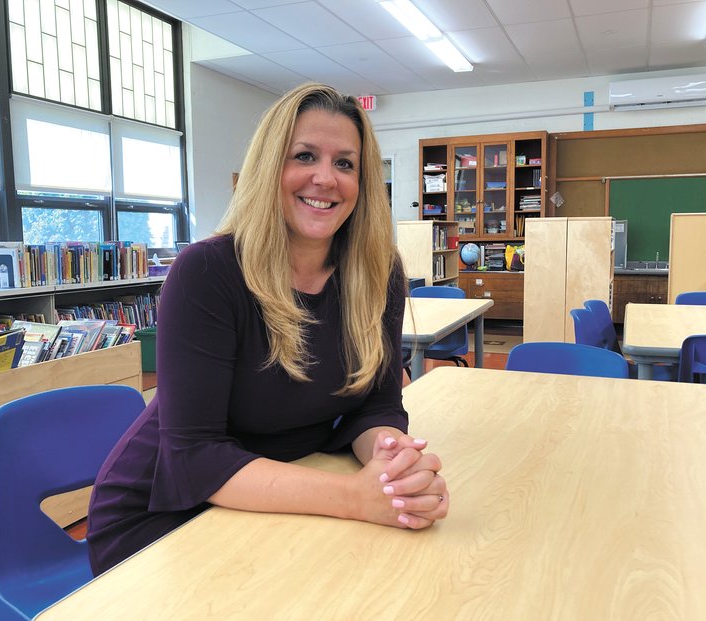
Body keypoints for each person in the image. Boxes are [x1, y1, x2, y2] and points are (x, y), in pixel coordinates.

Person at [87, 83, 449, 575]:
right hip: (165, 515)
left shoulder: (378, 274)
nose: (326, 178)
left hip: (288, 493)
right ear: (268, 169)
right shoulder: (208, 273)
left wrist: (392, 468)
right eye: (304, 156)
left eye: (345, 163)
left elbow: (377, 406)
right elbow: (195, 457)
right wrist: (354, 497)